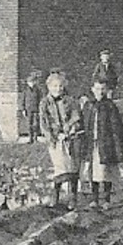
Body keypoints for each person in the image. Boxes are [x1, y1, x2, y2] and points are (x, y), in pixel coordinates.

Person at [81, 77, 123, 209]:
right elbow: (84, 125)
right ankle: (94, 199)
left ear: (107, 90)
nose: (100, 92)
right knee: (93, 172)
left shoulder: (110, 106)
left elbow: (116, 127)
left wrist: (118, 146)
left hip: (106, 144)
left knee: (106, 172)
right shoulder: (89, 106)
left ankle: (107, 199)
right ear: (92, 90)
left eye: (103, 89)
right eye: (97, 89)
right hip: (93, 144)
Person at [38, 71, 83, 209]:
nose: (58, 89)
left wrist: (70, 129)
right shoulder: (44, 103)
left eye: (61, 86)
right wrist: (54, 136)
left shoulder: (70, 101)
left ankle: (72, 198)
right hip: (55, 140)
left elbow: (76, 117)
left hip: (71, 138)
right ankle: (55, 197)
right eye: (55, 86)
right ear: (49, 87)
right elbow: (44, 123)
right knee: (60, 167)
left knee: (73, 167)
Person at [19, 70, 44, 143]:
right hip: (28, 109)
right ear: (28, 83)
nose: (31, 83)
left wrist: (40, 108)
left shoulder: (37, 90)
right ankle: (30, 138)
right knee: (29, 124)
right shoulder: (25, 90)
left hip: (36, 109)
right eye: (30, 82)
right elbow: (22, 100)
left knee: (36, 124)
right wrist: (23, 109)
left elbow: (40, 99)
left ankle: (35, 138)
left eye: (33, 82)